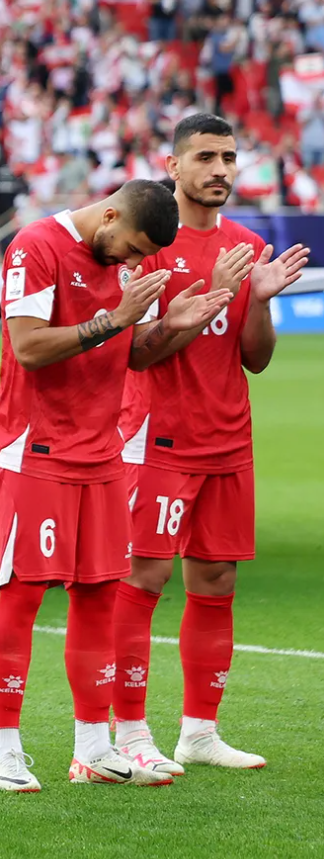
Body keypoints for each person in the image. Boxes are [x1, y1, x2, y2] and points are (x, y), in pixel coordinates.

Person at [0, 179, 233, 792]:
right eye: (127, 248)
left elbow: (135, 356)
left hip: (102, 454)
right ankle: (5, 752)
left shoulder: (130, 267)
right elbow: (29, 347)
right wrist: (113, 319)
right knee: (25, 594)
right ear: (110, 212)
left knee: (98, 596)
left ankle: (93, 748)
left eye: (138, 256)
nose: (129, 261)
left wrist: (170, 327)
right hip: (35, 450)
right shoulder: (36, 245)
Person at [112, 114, 309, 774]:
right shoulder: (149, 245)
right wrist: (202, 304)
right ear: (172, 166)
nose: (220, 169)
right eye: (204, 156)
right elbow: (135, 355)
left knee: (216, 582)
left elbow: (254, 358)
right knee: (144, 577)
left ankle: (199, 730)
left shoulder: (249, 243)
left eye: (228, 156)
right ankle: (131, 731)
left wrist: (253, 301)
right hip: (158, 437)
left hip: (227, 440)